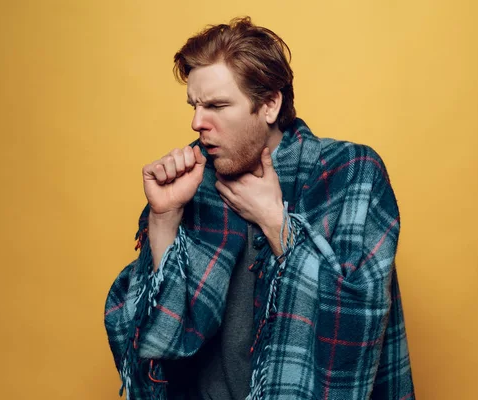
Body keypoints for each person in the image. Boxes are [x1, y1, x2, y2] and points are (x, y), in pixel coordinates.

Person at [105, 16, 415, 400]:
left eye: (217, 105)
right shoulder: (190, 182)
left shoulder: (348, 173)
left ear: (269, 104)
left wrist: (276, 223)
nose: (197, 122)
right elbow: (154, 340)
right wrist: (164, 220)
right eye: (195, 105)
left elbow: (358, 320)